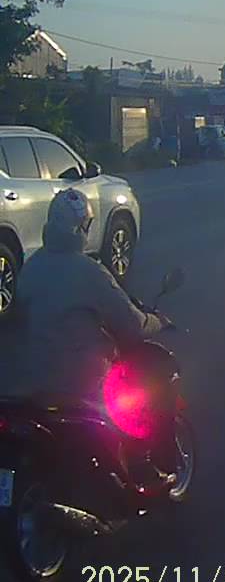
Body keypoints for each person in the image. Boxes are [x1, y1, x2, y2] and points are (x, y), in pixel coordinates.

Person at [14, 189, 177, 485]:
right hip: (78, 383)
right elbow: (132, 325)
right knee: (141, 392)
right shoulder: (90, 272)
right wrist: (158, 321)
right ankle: (141, 464)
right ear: (82, 227)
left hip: (29, 383)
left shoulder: (30, 268)